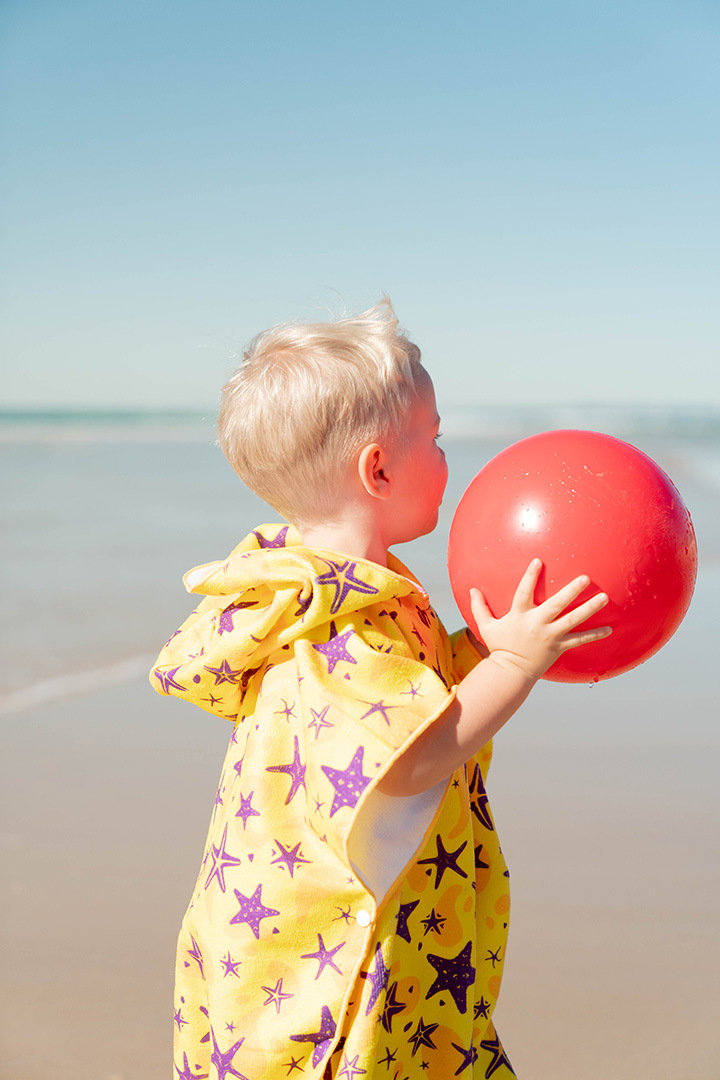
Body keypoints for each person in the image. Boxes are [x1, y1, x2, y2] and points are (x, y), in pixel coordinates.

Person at [150, 300, 610, 1079]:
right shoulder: (341, 627)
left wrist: (474, 653)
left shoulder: (345, 589)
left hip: (371, 928)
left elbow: (403, 693)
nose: (446, 456)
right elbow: (408, 759)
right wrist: (515, 666)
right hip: (336, 985)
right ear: (378, 469)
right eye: (433, 437)